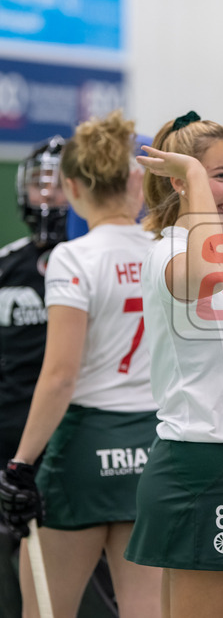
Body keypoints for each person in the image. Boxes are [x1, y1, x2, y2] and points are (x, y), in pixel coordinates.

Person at [0, 111, 162, 618]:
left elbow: (60, 375)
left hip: (85, 446)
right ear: (135, 179)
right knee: (143, 609)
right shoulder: (166, 253)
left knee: (45, 610)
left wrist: (21, 464)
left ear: (72, 186)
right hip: (149, 445)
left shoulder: (74, 257)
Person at [124, 112, 223, 618]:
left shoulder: (217, 263)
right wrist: (192, 178)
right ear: (180, 182)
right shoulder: (173, 251)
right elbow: (202, 279)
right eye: (220, 175)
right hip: (201, 468)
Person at [0, 137, 69, 617]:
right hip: (8, 442)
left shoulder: (92, 259)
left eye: (58, 184)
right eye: (39, 184)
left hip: (70, 444)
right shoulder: (6, 262)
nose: (47, 195)